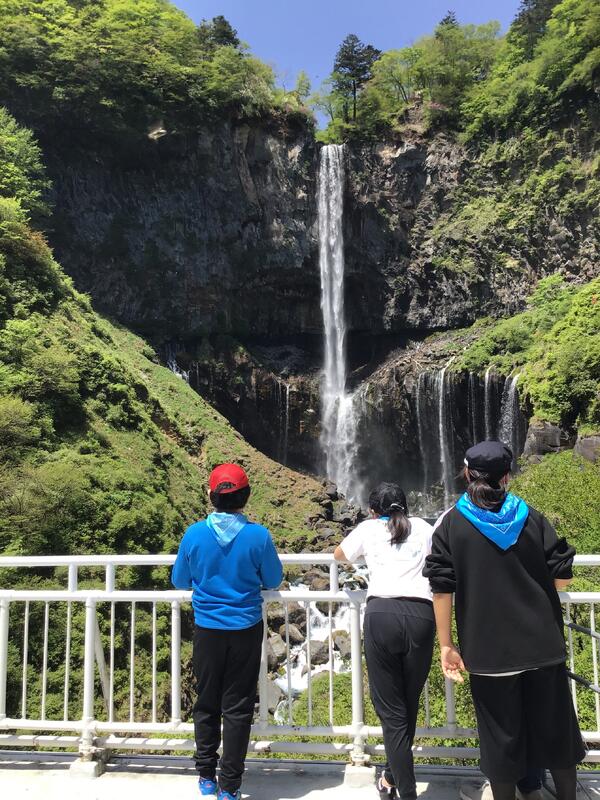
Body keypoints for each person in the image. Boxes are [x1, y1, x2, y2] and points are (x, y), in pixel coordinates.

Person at [423, 441, 585, 800]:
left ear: (468, 474)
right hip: (542, 646)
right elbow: (563, 576)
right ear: (507, 477)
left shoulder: (451, 524)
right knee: (557, 733)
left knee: (500, 740)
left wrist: (447, 645)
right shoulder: (530, 517)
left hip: (488, 652)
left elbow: (441, 589)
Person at [172, 463, 283, 800]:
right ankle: (230, 785)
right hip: (245, 628)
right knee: (238, 707)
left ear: (211, 496)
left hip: (207, 629)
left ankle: (206, 774)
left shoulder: (194, 534)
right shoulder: (258, 536)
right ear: (246, 496)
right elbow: (273, 579)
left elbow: (180, 580)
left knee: (206, 701)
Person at [334, 482, 435, 800]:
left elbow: (339, 555)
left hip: (382, 615)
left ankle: (406, 792)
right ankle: (391, 778)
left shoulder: (368, 529)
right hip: (422, 615)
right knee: (407, 703)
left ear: (372, 511)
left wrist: (371, 558)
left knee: (392, 712)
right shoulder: (423, 527)